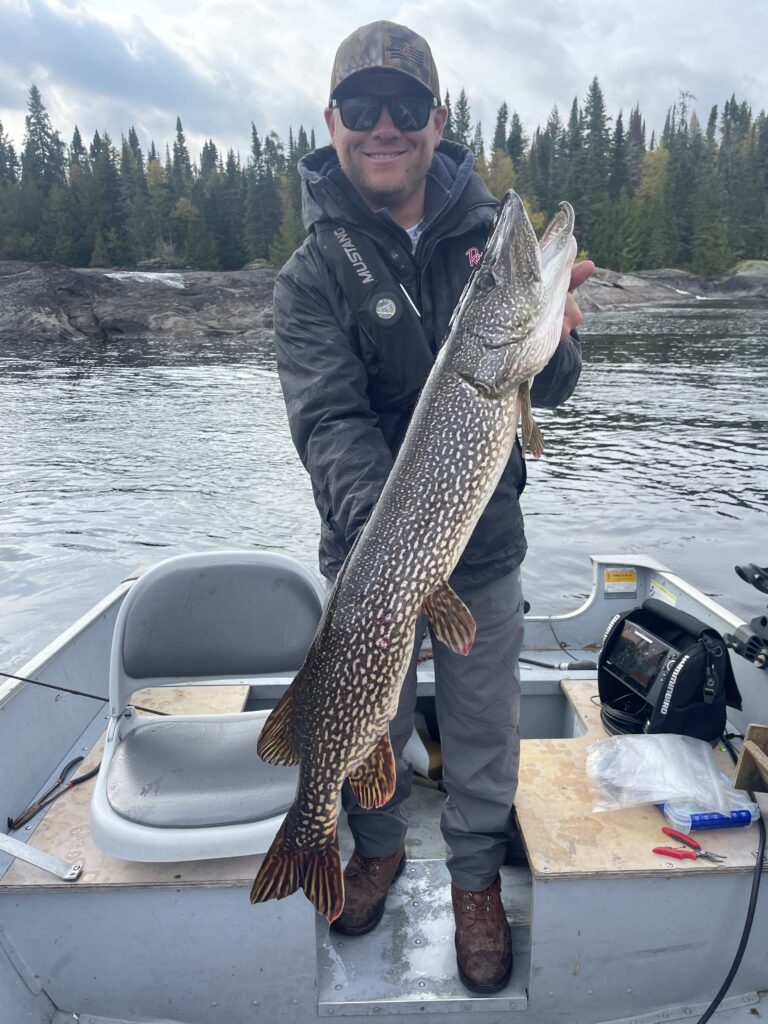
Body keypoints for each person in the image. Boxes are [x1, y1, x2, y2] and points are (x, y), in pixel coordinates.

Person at [272, 20, 593, 995]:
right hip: (371, 550)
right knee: (364, 714)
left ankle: (474, 881)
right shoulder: (311, 276)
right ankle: (359, 845)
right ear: (334, 124)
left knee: (483, 724)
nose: (384, 126)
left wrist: (556, 336)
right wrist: (389, 537)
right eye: (362, 108)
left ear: (434, 120)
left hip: (482, 546)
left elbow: (548, 381)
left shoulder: (482, 238)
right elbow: (328, 420)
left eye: (405, 108)